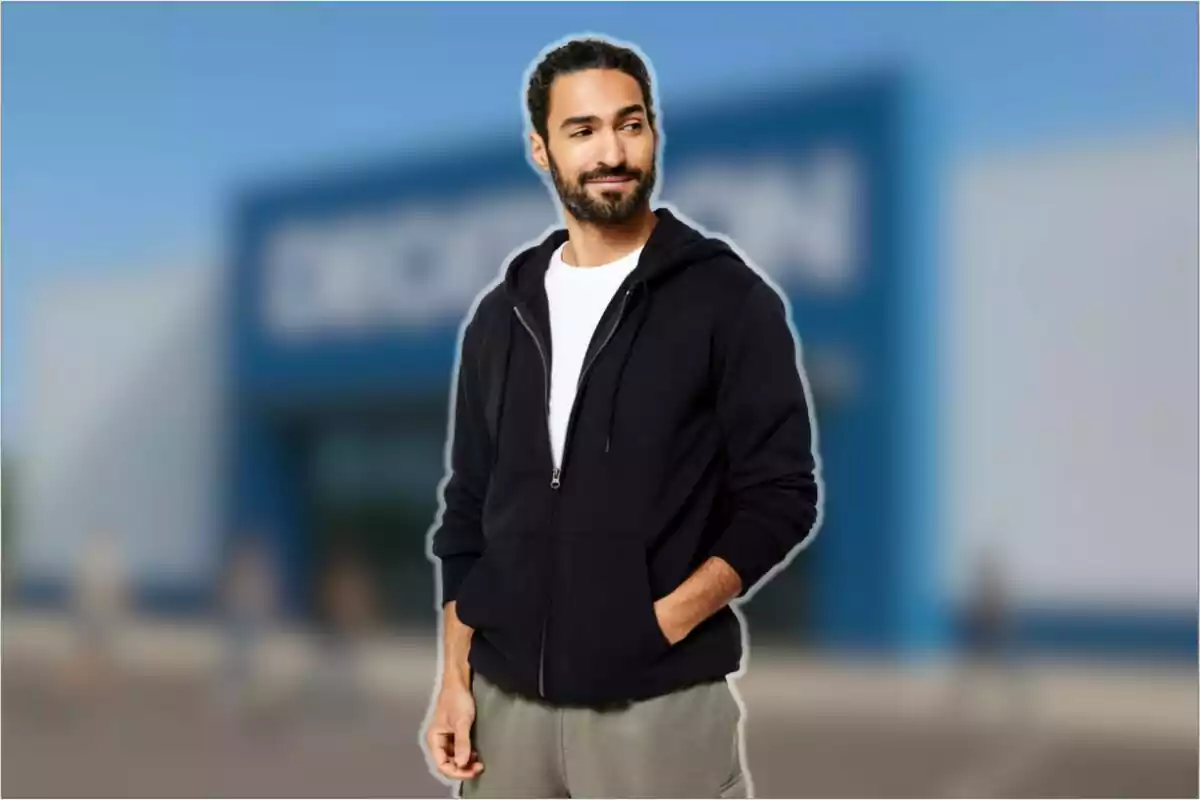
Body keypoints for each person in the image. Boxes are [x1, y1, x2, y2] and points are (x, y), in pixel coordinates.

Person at [424, 36, 821, 799]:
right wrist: (454, 679)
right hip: (505, 718)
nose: (612, 150)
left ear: (653, 133)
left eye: (629, 124)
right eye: (583, 131)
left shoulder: (728, 303)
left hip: (656, 711)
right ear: (541, 149)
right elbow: (467, 509)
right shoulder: (501, 319)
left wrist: (659, 625)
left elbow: (781, 497)